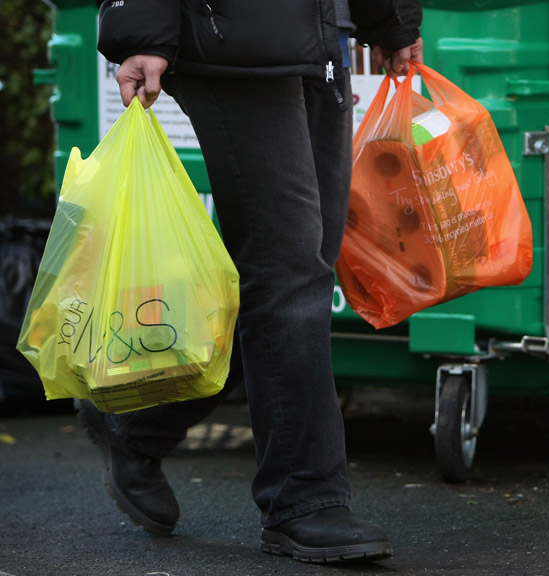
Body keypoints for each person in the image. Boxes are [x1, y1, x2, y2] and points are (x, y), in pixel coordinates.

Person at [77, 0, 423, 564]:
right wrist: (141, 26)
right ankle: (304, 499)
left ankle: (139, 422)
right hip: (228, 28)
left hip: (320, 32)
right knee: (287, 270)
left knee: (297, 267)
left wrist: (389, 17)